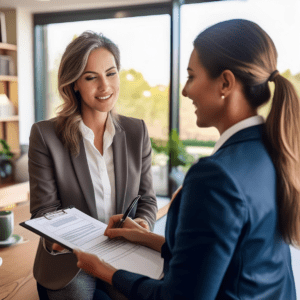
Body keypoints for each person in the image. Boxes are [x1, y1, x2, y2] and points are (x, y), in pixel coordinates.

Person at [71, 19, 300, 299]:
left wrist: (106, 271)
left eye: (191, 76)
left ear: (225, 83)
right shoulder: (274, 149)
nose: (185, 91)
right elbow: (226, 257)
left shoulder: (215, 177)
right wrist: (145, 237)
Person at [29, 31, 157, 300]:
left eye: (111, 73)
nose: (105, 86)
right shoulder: (45, 135)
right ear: (74, 83)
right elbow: (45, 211)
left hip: (123, 253)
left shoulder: (137, 132)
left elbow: (146, 200)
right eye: (91, 77)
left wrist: (142, 226)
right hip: (69, 259)